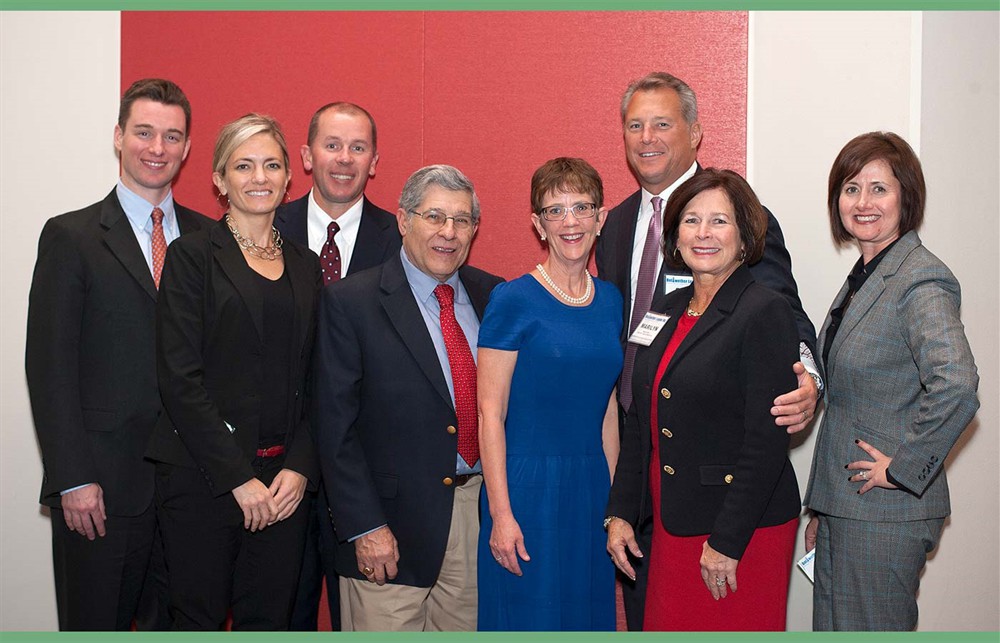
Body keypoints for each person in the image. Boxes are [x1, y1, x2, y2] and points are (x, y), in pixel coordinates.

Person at [594, 71, 819, 629]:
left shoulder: (747, 227)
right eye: (635, 125)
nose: (647, 137)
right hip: (647, 468)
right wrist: (623, 503)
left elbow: (787, 316)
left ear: (695, 132)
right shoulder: (616, 225)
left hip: (724, 492)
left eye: (663, 123)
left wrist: (807, 378)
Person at [25, 78, 211, 631]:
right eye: (144, 132)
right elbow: (49, 367)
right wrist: (72, 478)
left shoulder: (209, 241)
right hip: (100, 493)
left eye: (171, 136)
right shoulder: (71, 236)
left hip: (188, 492)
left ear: (187, 149)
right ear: (118, 137)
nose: (157, 148)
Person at [146, 114, 321, 630]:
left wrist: (301, 466)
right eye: (243, 166)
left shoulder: (307, 266)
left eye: (271, 164)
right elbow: (180, 380)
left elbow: (320, 381)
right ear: (220, 180)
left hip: (284, 487)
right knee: (195, 622)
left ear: (290, 177)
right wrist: (237, 478)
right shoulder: (192, 256)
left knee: (268, 623)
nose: (259, 177)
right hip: (205, 482)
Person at [314, 165, 503, 631]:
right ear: (403, 220)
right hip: (388, 529)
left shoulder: (494, 296)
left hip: (475, 517)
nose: (448, 232)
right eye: (434, 216)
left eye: (462, 220)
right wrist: (364, 526)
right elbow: (333, 427)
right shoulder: (350, 302)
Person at [803, 132, 979, 631]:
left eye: (879, 189)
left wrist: (903, 468)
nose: (863, 202)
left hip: (886, 513)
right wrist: (824, 507)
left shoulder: (920, 278)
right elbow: (851, 400)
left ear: (907, 196)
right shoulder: (867, 274)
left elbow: (957, 382)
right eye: (851, 188)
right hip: (848, 508)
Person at [477, 158, 622, 631]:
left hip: (590, 487)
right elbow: (489, 413)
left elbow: (608, 411)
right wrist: (501, 513)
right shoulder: (512, 299)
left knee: (586, 616)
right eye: (555, 211)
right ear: (538, 225)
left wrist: (615, 502)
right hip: (524, 489)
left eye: (581, 207)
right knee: (527, 617)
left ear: (600, 217)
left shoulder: (611, 300)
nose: (571, 222)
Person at [276, 101, 401, 632]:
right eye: (332, 145)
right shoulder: (263, 227)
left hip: (366, 469)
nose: (344, 159)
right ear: (306, 156)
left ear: (374, 161)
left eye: (358, 148)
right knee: (281, 614)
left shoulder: (403, 240)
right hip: (278, 468)